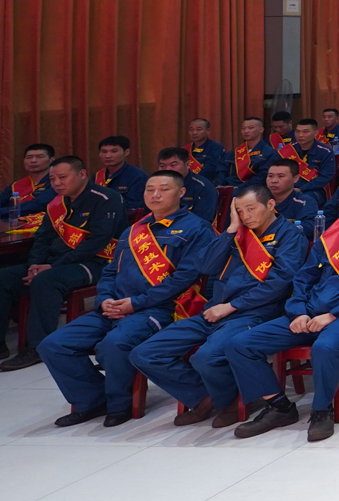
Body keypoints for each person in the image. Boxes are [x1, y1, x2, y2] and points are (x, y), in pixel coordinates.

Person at [226, 180, 339, 441]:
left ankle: (321, 411)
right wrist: (298, 311)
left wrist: (332, 315)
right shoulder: (330, 237)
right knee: (239, 344)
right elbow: (303, 277)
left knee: (325, 347)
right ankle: (279, 407)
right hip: (310, 312)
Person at [41, 170, 217, 427]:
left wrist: (136, 303)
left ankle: (119, 404)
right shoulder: (134, 229)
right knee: (53, 344)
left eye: (164, 189)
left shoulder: (198, 229)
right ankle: (91, 400)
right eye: (149, 189)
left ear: (181, 192)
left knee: (114, 344)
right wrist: (104, 299)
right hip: (114, 307)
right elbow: (110, 271)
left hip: (159, 309)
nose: (155, 195)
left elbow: (184, 279)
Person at [131, 182, 309, 428]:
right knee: (144, 353)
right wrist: (231, 230)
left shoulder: (290, 235)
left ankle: (231, 403)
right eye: (240, 211)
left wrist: (232, 306)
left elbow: (278, 284)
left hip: (254, 313)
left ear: (270, 204)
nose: (246, 216)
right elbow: (205, 266)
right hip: (215, 311)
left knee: (206, 357)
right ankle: (207, 397)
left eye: (251, 209)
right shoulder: (238, 233)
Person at [0, 156, 124, 371]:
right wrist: (34, 265)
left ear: (82, 174)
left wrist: (52, 267)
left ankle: (36, 347)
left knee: (46, 280)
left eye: (62, 177)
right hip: (56, 262)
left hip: (97, 262)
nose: (57, 183)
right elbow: (43, 238)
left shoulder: (106, 198)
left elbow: (97, 241)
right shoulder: (56, 203)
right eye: (53, 179)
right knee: (4, 278)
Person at [226, 117, 279, 188]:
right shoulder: (235, 152)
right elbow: (223, 170)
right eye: (243, 128)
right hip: (231, 186)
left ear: (261, 130)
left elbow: (262, 177)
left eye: (251, 128)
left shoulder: (269, 153)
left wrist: (240, 188)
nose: (246, 131)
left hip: (254, 189)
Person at [184, 120, 229, 184]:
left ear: (208, 131)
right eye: (191, 130)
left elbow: (209, 170)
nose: (194, 133)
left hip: (206, 183)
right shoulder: (185, 149)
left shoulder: (215, 147)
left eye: (199, 129)